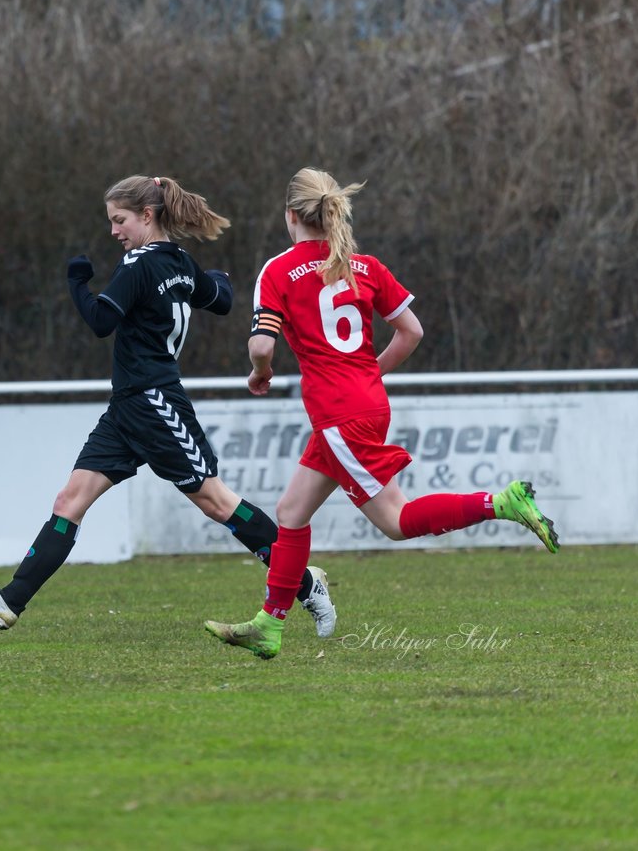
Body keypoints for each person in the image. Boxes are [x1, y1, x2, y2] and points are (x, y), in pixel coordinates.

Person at [0, 174, 336, 635]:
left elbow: (99, 321)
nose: (114, 231)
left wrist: (77, 281)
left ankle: (305, 583)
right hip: (127, 407)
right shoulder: (178, 260)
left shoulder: (136, 264)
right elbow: (222, 299)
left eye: (120, 220)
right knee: (70, 499)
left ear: (147, 216)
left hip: (155, 400)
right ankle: (10, 600)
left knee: (216, 501)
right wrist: (212, 277)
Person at [205, 167, 559, 660]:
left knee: (394, 521)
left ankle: (500, 503)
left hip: (338, 415)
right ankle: (270, 624)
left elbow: (262, 343)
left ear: (291, 216)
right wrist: (369, 372)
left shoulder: (280, 271)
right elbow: (411, 332)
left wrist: (259, 372)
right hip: (364, 406)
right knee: (291, 513)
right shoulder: (365, 265)